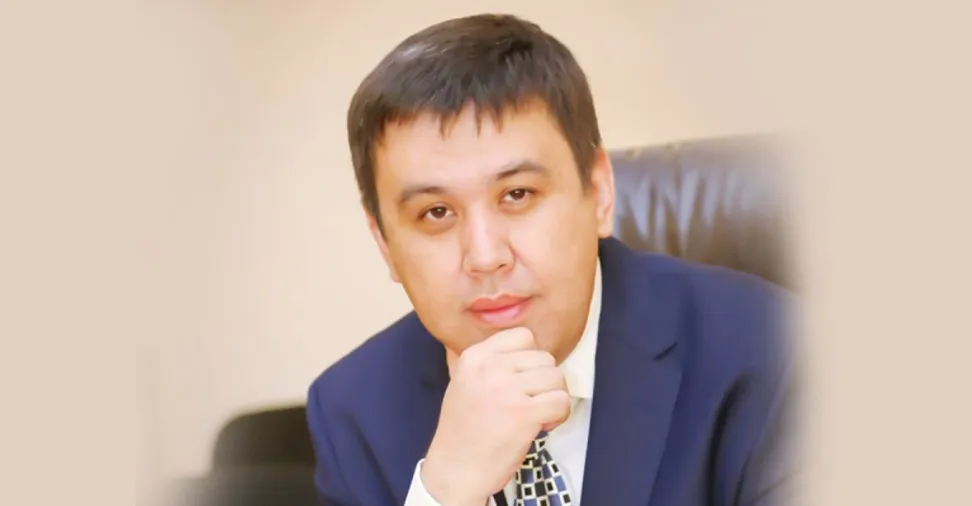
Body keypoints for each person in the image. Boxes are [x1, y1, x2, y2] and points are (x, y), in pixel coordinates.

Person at [306, 13, 796, 506]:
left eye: (517, 194)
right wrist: (444, 491)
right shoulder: (353, 413)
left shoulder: (772, 346)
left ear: (599, 191)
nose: (485, 256)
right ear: (384, 244)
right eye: (436, 212)